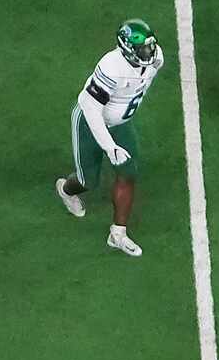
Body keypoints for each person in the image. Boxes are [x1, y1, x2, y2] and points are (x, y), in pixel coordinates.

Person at [55, 19, 163, 258]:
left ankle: (118, 234)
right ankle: (65, 189)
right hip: (89, 123)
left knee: (128, 173)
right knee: (87, 182)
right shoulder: (111, 67)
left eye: (149, 45)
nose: (149, 51)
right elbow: (92, 110)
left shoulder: (156, 59)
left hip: (119, 124)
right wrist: (110, 147)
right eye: (142, 48)